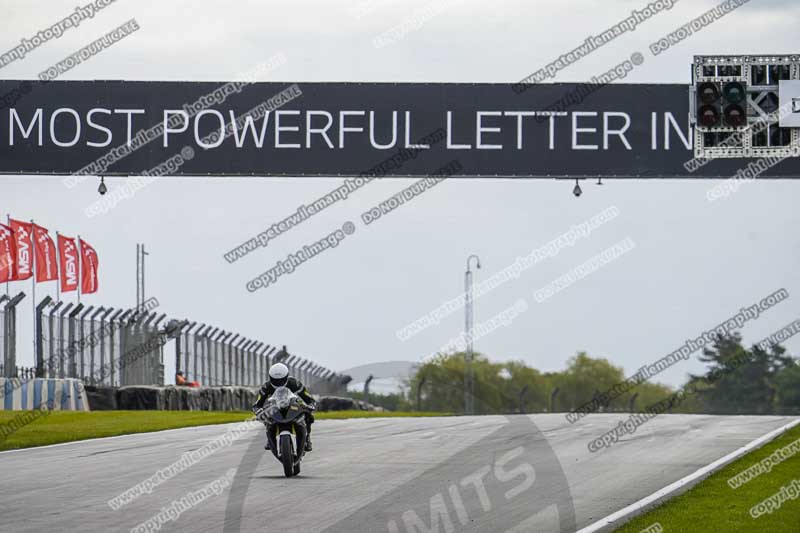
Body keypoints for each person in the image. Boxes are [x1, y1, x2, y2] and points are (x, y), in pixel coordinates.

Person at [252, 362, 317, 451]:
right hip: (275, 407)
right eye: (275, 380)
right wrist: (258, 411)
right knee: (266, 415)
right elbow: (257, 404)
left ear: (286, 376)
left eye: (281, 380)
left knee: (308, 416)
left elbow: (307, 397)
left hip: (292, 405)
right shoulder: (266, 387)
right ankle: (270, 438)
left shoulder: (294, 383)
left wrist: (310, 405)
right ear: (270, 378)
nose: (278, 383)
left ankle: (307, 438)